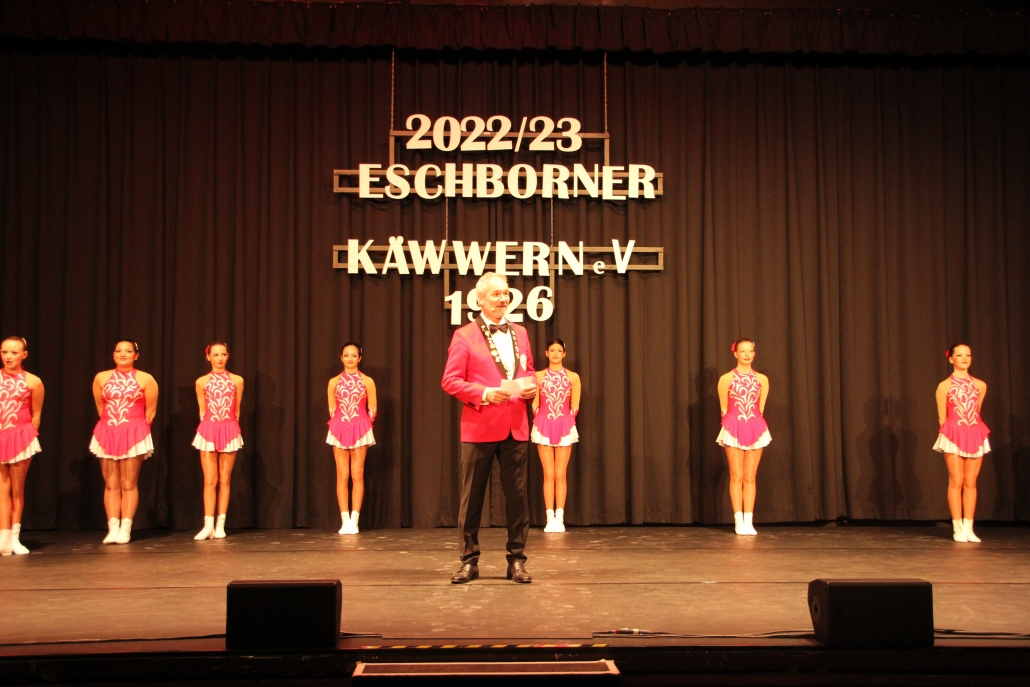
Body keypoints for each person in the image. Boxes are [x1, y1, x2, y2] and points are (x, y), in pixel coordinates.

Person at [441, 272, 537, 584]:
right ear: (480, 299)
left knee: (518, 498)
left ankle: (517, 561)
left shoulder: (521, 332)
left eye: (506, 293)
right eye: (496, 294)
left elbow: (529, 370)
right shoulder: (464, 335)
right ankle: (469, 561)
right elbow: (450, 381)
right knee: (472, 499)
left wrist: (530, 385)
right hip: (479, 426)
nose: (503, 299)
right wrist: (484, 393)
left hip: (515, 425)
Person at [90, 340, 158, 544]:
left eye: (128, 351)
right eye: (118, 350)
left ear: (136, 355)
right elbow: (100, 406)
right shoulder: (101, 377)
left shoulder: (146, 378)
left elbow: (150, 411)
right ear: (113, 354)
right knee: (111, 483)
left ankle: (126, 528)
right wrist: (112, 425)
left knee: (128, 483)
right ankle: (113, 528)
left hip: (134, 432)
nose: (123, 354)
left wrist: (137, 431)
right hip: (107, 432)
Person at [934, 343, 990, 543]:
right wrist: (950, 435)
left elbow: (976, 410)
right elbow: (942, 417)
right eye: (959, 355)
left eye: (968, 355)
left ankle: (969, 527)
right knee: (956, 481)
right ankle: (957, 527)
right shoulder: (944, 386)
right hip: (953, 433)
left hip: (975, 432)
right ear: (951, 359)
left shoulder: (980, 385)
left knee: (970, 482)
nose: (964, 358)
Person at [717, 338, 770, 536]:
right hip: (734, 427)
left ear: (754, 353)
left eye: (750, 351)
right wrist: (734, 425)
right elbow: (724, 409)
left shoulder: (762, 379)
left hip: (756, 427)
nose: (747, 354)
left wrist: (753, 423)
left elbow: (760, 408)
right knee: (736, 475)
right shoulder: (726, 378)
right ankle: (738, 521)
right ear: (735, 354)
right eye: (742, 351)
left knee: (750, 477)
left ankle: (749, 521)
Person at [192, 342, 244, 540]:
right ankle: (208, 525)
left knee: (225, 480)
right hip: (209, 430)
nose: (220, 358)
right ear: (208, 357)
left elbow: (237, 409)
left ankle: (220, 524)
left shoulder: (237, 380)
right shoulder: (202, 382)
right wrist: (210, 426)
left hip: (229, 429)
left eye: (223, 354)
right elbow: (202, 410)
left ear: (228, 356)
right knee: (210, 480)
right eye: (215, 355)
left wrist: (231, 426)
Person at [0, 336, 44, 555]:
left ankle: (15, 538)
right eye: (4, 352)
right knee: (2, 489)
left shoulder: (33, 381)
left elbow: (36, 414)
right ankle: (3, 537)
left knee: (17, 489)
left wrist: (27, 435)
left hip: (21, 437)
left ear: (24, 355)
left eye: (14, 353)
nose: (9, 357)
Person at [327, 342, 376, 535]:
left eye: (354, 355)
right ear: (341, 358)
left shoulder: (367, 381)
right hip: (339, 428)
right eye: (346, 355)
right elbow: (332, 409)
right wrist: (341, 425)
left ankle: (355, 520)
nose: (350, 358)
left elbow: (373, 409)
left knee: (357, 475)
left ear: (360, 358)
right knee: (342, 475)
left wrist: (361, 426)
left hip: (360, 428)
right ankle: (344, 520)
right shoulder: (333, 382)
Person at [532, 339, 580, 533]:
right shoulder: (538, 376)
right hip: (543, 425)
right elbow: (534, 403)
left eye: (559, 350)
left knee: (560, 474)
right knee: (548, 474)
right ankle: (549, 518)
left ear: (564, 354)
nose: (555, 353)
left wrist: (564, 421)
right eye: (552, 350)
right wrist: (543, 420)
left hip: (564, 426)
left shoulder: (573, 377)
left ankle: (560, 518)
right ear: (546, 353)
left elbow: (575, 406)